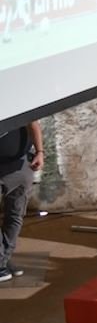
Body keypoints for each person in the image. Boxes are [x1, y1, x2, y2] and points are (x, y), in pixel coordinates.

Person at [0, 120, 43, 281]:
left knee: (15, 215)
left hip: (19, 165)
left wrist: (40, 152)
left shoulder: (14, 105)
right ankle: (1, 261)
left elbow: (33, 122)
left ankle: (3, 260)